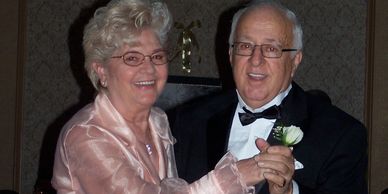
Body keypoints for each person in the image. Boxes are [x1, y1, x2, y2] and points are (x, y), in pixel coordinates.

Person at [51, 0, 291, 193]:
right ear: (101, 70)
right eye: (132, 58)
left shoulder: (158, 121)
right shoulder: (86, 135)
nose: (149, 69)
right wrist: (237, 175)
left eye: (156, 56)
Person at [169, 0, 368, 194]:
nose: (256, 60)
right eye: (246, 46)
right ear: (231, 55)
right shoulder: (188, 120)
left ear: (295, 60)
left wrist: (290, 192)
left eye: (271, 49)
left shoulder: (341, 135)